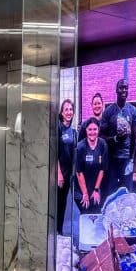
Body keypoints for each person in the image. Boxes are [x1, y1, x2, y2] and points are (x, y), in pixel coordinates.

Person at [99, 78, 136, 195]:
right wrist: (115, 138)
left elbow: (135, 137)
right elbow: (101, 135)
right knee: (111, 192)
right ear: (116, 90)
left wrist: (132, 160)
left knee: (127, 192)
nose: (124, 90)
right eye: (121, 87)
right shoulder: (109, 111)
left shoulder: (133, 111)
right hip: (112, 159)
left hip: (126, 159)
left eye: (126, 88)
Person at [74, 119, 108, 214]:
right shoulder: (80, 147)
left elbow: (102, 169)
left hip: (95, 186)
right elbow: (79, 172)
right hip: (81, 188)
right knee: (85, 211)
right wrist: (85, 193)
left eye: (95, 129)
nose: (92, 132)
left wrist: (96, 189)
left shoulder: (103, 144)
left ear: (98, 130)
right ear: (86, 130)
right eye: (90, 129)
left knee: (96, 212)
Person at [56, 99, 77, 234]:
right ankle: (54, 232)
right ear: (62, 113)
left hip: (69, 174)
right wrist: (58, 173)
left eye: (71, 109)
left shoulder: (74, 132)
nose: (69, 112)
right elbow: (55, 152)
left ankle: (60, 231)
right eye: (66, 110)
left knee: (63, 203)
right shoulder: (58, 128)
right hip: (60, 173)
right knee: (57, 203)